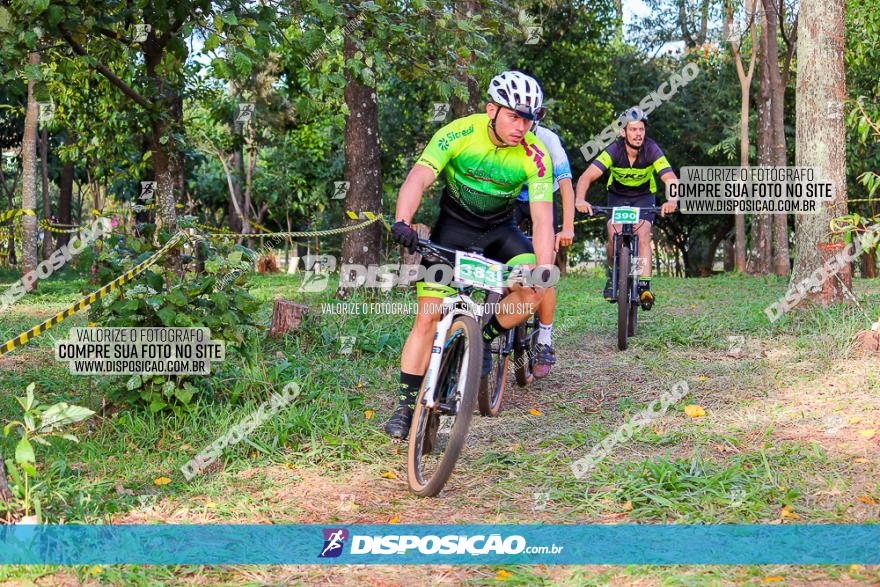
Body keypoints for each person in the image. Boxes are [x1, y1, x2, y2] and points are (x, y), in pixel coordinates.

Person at [385, 70, 556, 439]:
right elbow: (418, 177)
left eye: (529, 118)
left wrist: (543, 267)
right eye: (514, 116)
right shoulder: (459, 133)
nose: (522, 126)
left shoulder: (535, 154)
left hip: (501, 233)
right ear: (491, 110)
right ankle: (404, 405)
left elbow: (543, 220)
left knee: (533, 289)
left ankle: (486, 338)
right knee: (427, 318)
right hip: (453, 230)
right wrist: (403, 220)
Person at [574, 107, 678, 309]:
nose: (638, 134)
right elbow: (587, 176)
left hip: (643, 197)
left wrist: (672, 200)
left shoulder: (651, 149)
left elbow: (671, 178)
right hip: (617, 197)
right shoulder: (614, 150)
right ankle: (614, 274)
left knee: (644, 234)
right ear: (623, 132)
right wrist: (580, 199)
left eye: (641, 129)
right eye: (633, 130)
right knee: (615, 234)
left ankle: (644, 286)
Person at [511, 124, 575, 378]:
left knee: (544, 268)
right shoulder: (503, 136)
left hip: (543, 195)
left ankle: (544, 341)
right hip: (513, 196)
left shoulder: (549, 140)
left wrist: (567, 227)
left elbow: (567, 186)